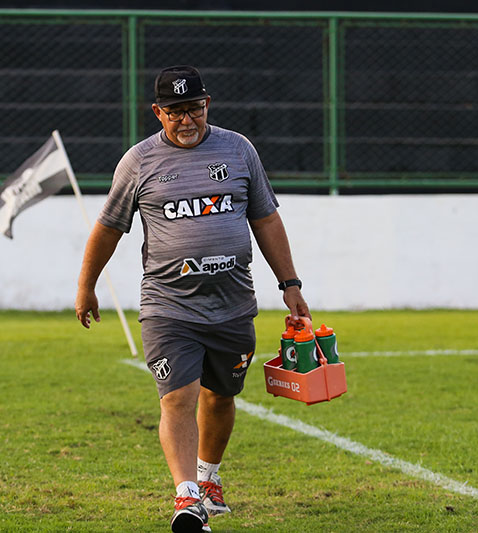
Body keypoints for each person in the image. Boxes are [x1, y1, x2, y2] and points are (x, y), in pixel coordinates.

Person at [75, 65, 310, 533]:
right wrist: (87, 286)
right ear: (158, 113)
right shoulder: (139, 162)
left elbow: (265, 219)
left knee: (221, 397)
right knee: (177, 398)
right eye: (176, 111)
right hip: (168, 306)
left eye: (194, 109)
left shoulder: (239, 149)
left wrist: (291, 284)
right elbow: (107, 229)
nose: (187, 120)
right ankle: (187, 500)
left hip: (232, 304)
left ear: (208, 105)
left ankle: (208, 479)